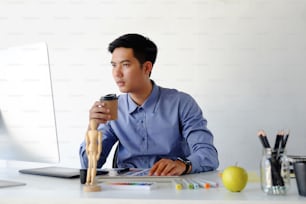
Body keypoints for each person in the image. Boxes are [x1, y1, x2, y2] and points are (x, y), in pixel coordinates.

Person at [79, 33, 219, 176]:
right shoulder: (113, 108)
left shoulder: (181, 103)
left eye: (125, 65)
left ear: (146, 68)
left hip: (172, 184)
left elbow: (208, 155)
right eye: (114, 65)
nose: (117, 73)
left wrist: (183, 164)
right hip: (126, 188)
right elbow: (89, 165)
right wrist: (92, 128)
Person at [85, 119, 102, 186]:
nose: (93, 125)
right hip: (90, 150)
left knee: (94, 166)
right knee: (89, 167)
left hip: (95, 150)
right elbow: (87, 143)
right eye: (91, 123)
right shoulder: (88, 133)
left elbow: (100, 143)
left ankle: (92, 181)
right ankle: (88, 180)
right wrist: (87, 152)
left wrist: (99, 153)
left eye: (94, 123)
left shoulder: (98, 133)